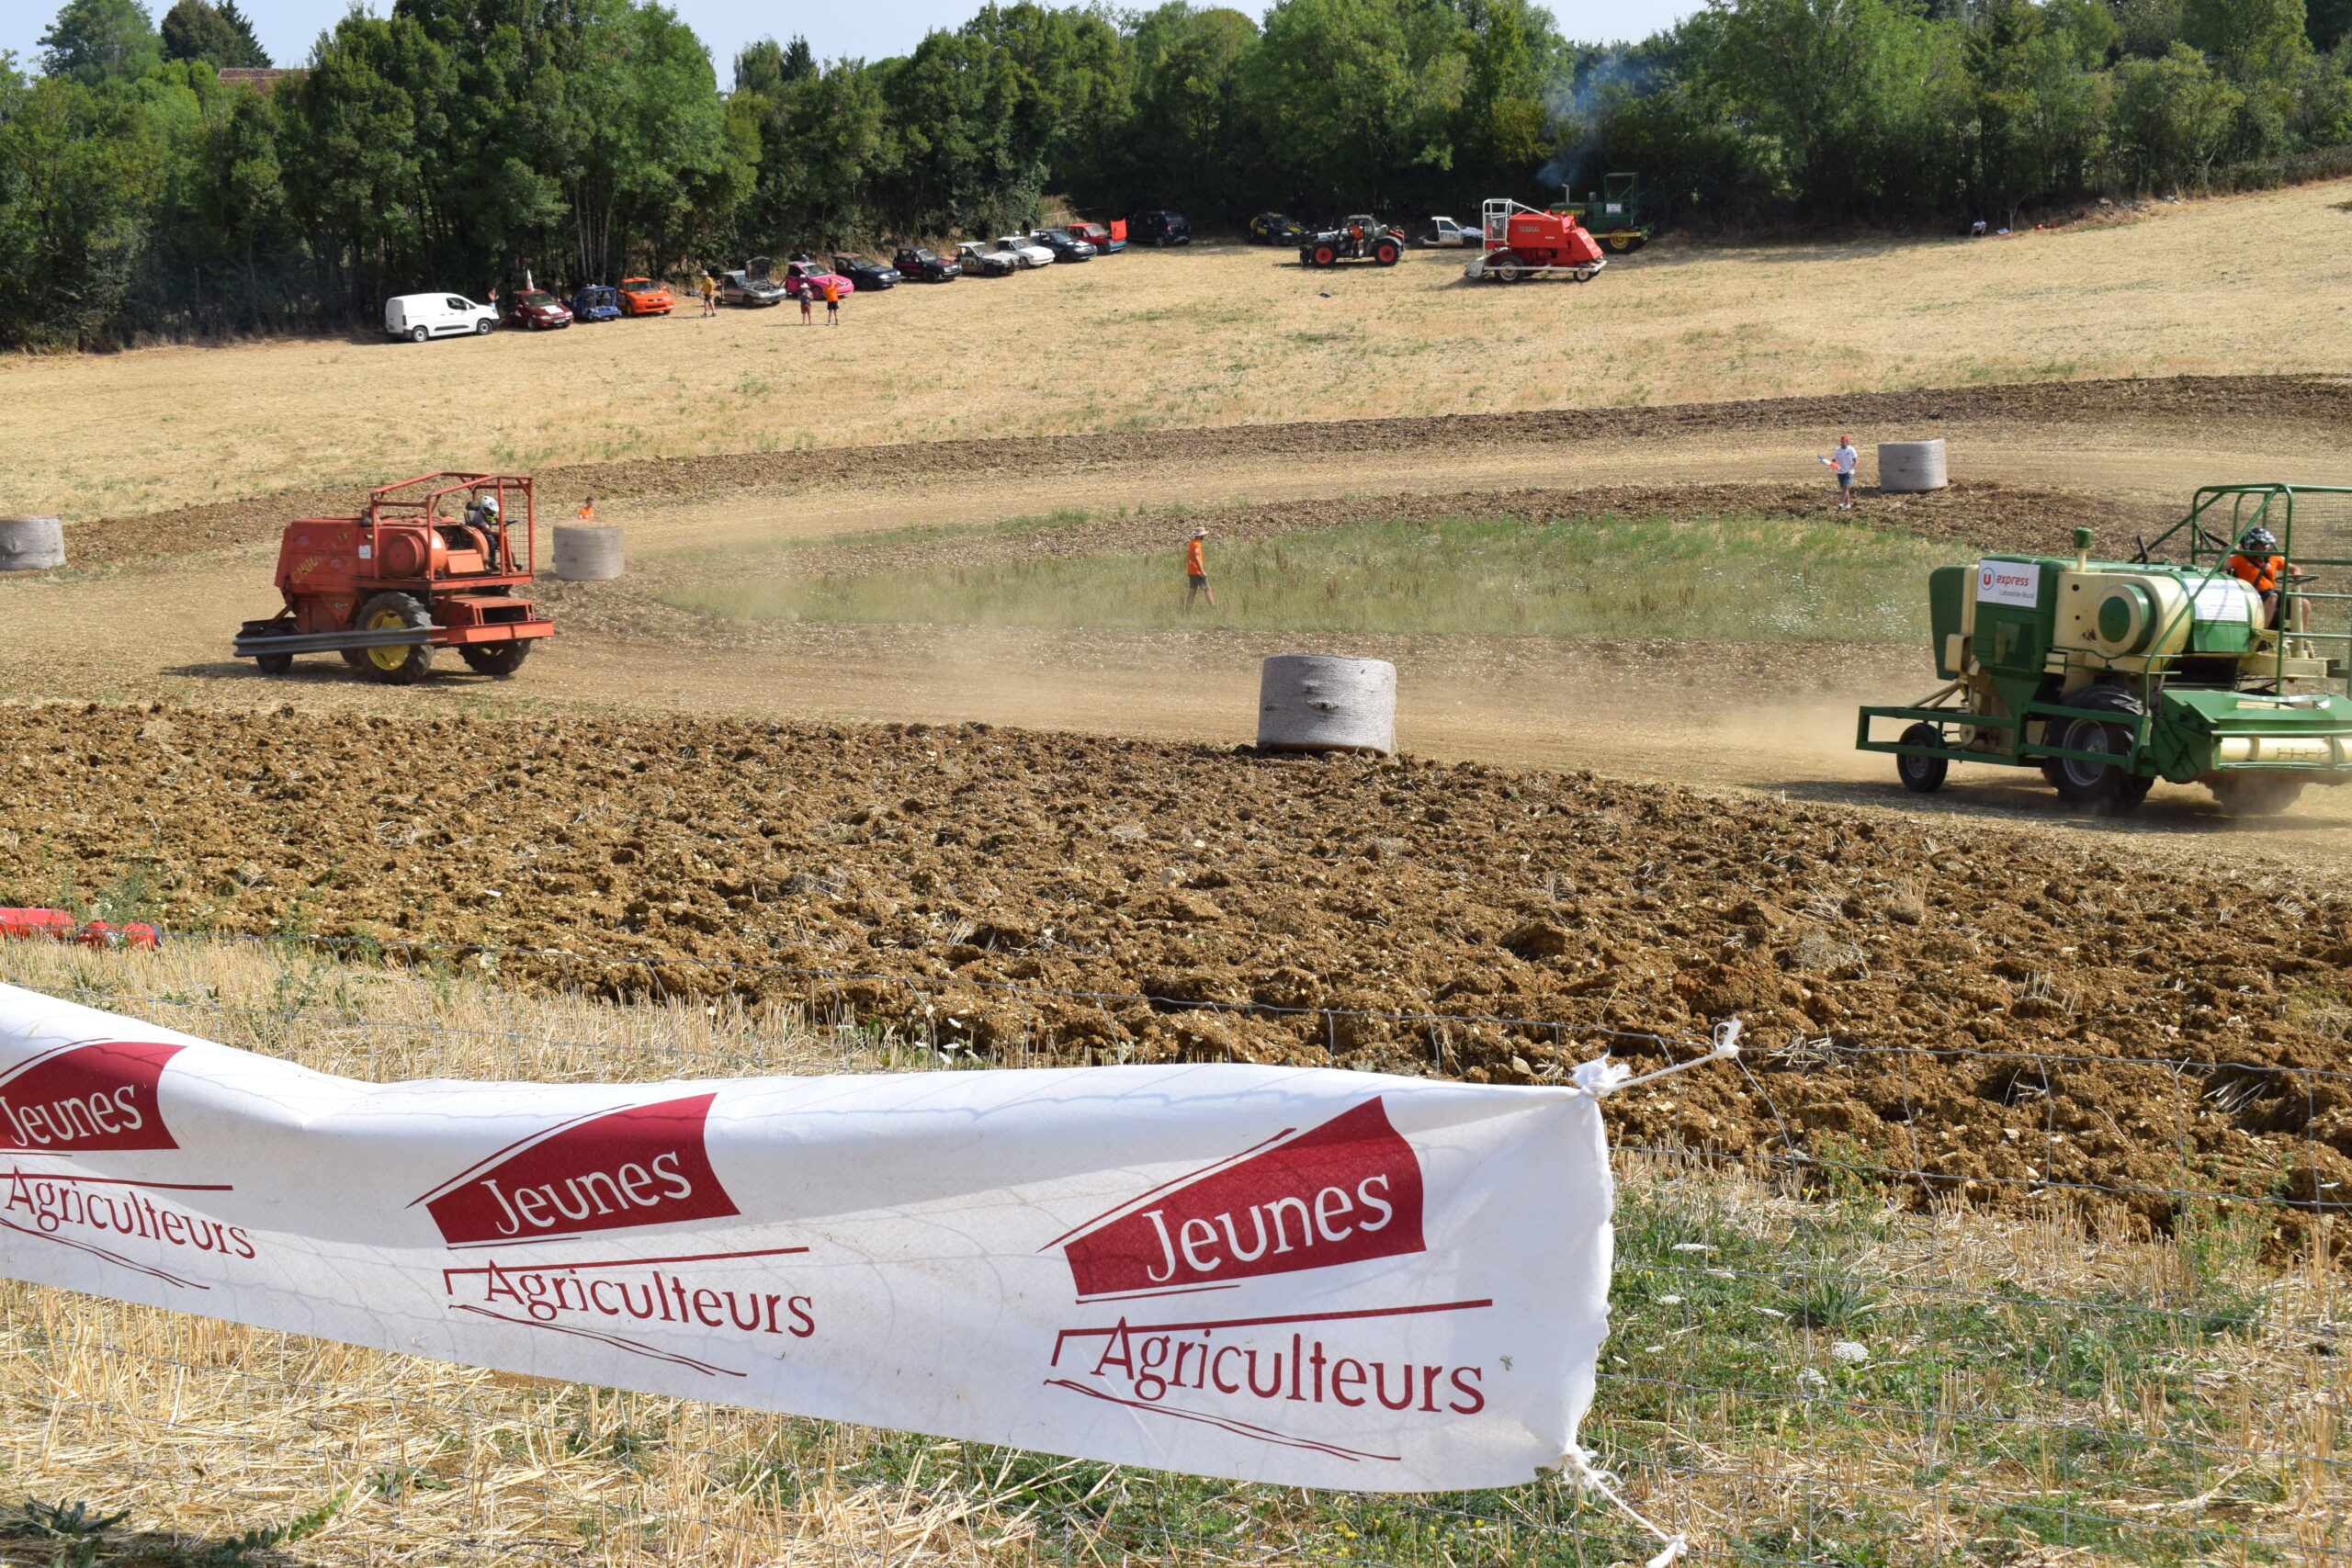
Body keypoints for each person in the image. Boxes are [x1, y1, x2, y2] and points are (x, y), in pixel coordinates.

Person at [2229, 525, 2309, 629]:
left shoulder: (2274, 557)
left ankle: (2299, 637)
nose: (2265, 548)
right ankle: (2262, 633)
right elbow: (2222, 565)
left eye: (2266, 545)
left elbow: (2293, 568)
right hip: (2251, 594)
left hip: (2270, 592)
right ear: (2251, 544)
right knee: (2273, 597)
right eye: (2260, 545)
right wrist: (2230, 549)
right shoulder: (2240, 557)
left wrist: (2296, 573)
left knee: (2304, 603)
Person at [1818, 435, 1859, 511]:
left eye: (1843, 442)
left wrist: (1851, 469)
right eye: (1841, 441)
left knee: (1846, 486)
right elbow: (1833, 461)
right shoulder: (1838, 450)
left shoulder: (1851, 450)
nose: (1842, 443)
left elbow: (1856, 461)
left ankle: (1841, 503)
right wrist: (1825, 461)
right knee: (1844, 488)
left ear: (1847, 442)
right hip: (1840, 471)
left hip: (1849, 471)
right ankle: (1848, 504)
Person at [1183, 528, 1216, 612]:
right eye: (1203, 535)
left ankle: (1187, 612)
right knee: (1207, 589)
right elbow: (1196, 558)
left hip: (1191, 571)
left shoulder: (1191, 543)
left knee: (1192, 591)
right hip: (1197, 571)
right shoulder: (1197, 544)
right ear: (1201, 535)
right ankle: (1214, 610)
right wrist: (1202, 571)